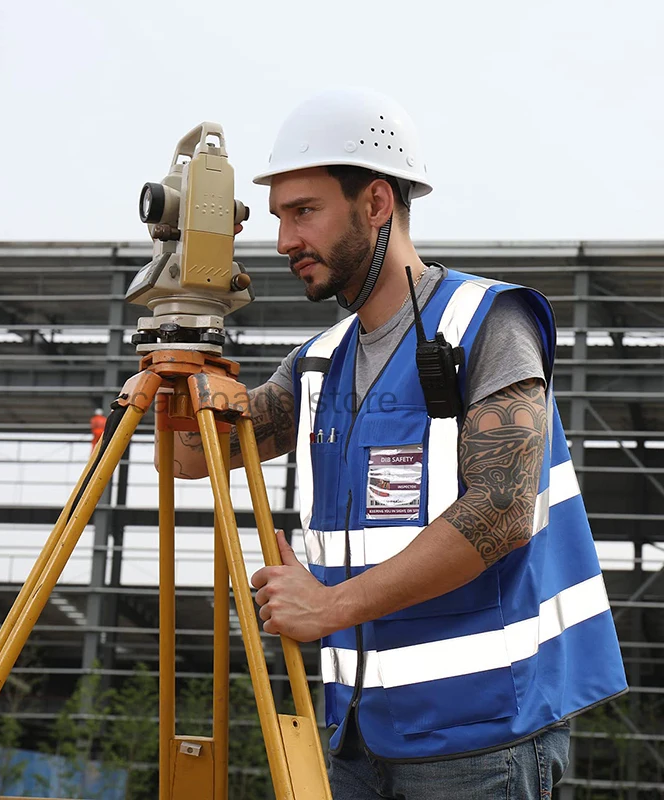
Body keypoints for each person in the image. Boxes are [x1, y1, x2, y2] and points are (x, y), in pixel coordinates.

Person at [165, 88, 627, 799]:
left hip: (480, 735)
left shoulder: (488, 321)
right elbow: (190, 457)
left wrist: (328, 607)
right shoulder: (319, 361)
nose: (285, 240)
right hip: (355, 732)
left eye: (305, 211)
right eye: (281, 216)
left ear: (377, 203)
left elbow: (502, 512)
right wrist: (181, 342)